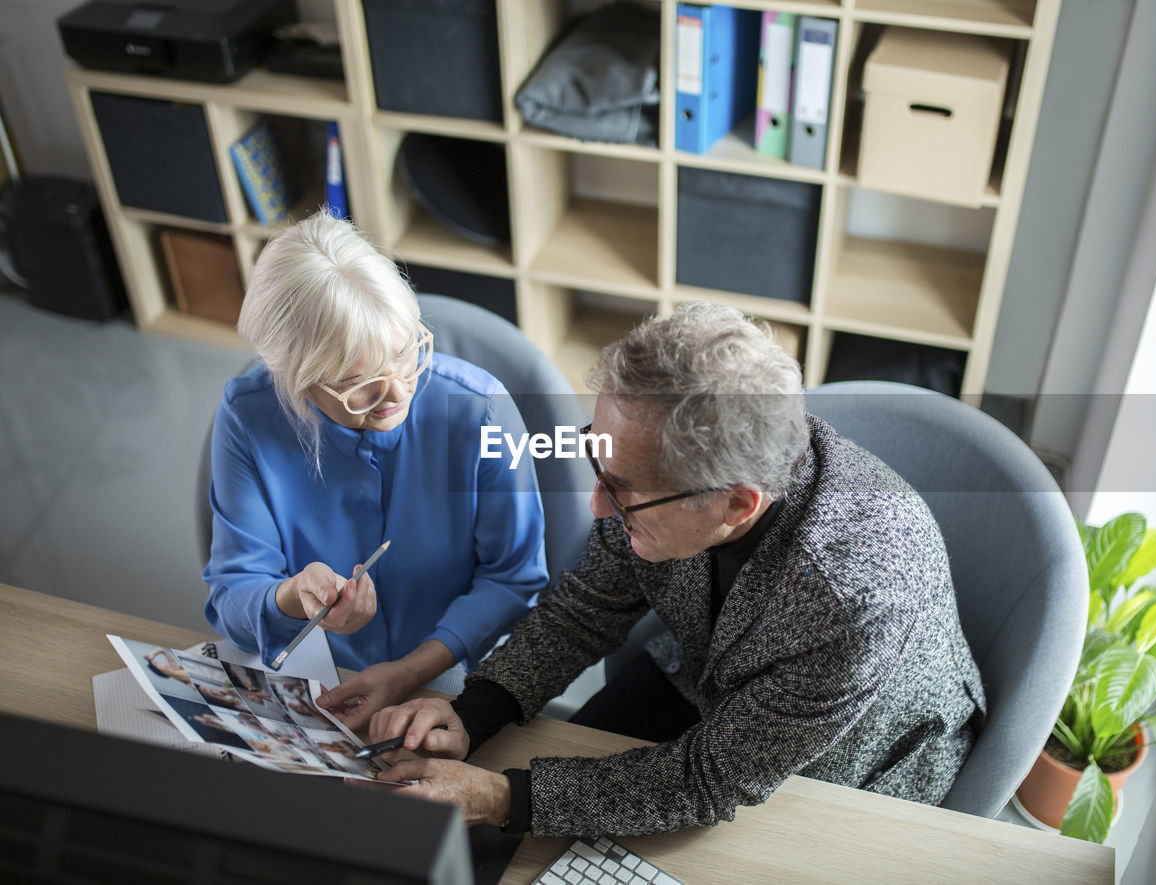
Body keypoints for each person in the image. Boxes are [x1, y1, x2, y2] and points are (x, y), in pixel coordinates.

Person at [365, 302, 987, 836]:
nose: (597, 504)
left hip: (848, 757)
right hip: (702, 670)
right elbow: (585, 608)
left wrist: (505, 798)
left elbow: (709, 778)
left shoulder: (852, 594)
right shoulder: (650, 464)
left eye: (623, 490)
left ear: (737, 503)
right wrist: (476, 710)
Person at [202, 210, 548, 730]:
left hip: (446, 657)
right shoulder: (249, 413)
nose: (397, 391)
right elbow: (233, 593)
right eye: (357, 380)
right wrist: (292, 597)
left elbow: (513, 577)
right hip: (305, 653)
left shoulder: (482, 409)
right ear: (294, 378)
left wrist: (408, 673)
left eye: (406, 351)